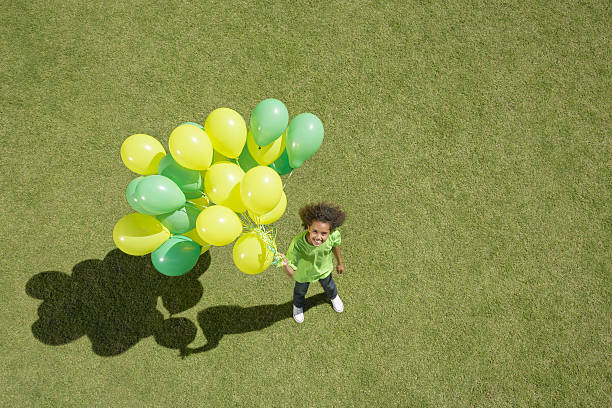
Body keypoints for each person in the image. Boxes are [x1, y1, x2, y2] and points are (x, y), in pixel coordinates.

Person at [278, 202, 346, 323]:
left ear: (330, 233)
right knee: (299, 292)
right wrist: (285, 264)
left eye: (324, 233)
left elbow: (334, 246)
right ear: (308, 227)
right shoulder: (297, 244)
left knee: (330, 286)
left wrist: (339, 263)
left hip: (324, 270)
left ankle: (333, 296)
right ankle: (298, 306)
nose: (318, 237)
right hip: (304, 275)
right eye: (315, 231)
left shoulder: (333, 236)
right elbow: (291, 273)